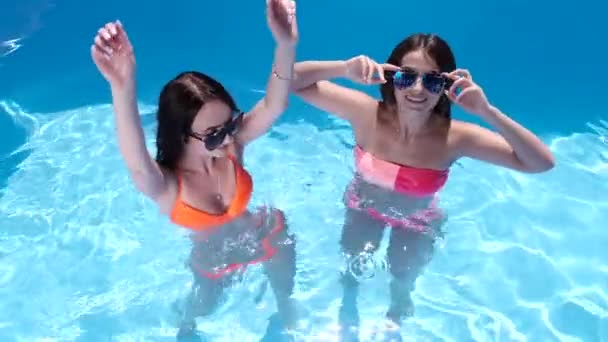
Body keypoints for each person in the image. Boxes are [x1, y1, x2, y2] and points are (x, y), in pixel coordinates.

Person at [290, 33, 555, 332]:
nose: (417, 89)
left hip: (415, 221)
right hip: (362, 207)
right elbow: (286, 78)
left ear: (445, 87)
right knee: (350, 267)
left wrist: (487, 111)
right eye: (407, 77)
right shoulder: (364, 112)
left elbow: (541, 163)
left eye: (432, 81)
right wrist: (342, 68)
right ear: (391, 78)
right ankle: (347, 307)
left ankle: (398, 306)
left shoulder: (455, 137)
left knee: (403, 278)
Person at [90, 0, 299, 338]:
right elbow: (136, 162)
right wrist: (122, 86)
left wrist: (286, 43)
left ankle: (286, 316)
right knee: (197, 314)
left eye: (230, 124)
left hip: (267, 237)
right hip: (215, 264)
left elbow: (276, 103)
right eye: (214, 134)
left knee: (285, 299)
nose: (229, 135)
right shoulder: (168, 186)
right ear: (181, 136)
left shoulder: (232, 147)